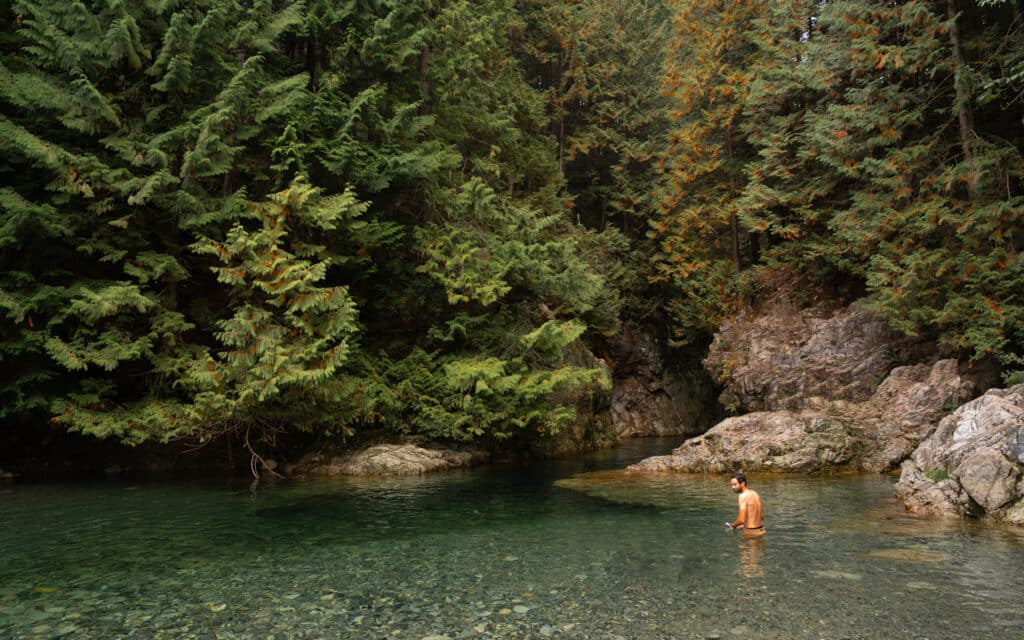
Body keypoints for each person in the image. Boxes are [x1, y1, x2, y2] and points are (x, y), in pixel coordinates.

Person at [727, 472, 765, 536]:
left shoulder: (743, 496)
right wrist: (746, 524)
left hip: (751, 533)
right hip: (761, 530)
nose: (732, 487)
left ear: (742, 483)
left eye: (735, 484)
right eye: (731, 485)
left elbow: (741, 520)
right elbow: (762, 516)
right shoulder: (755, 493)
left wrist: (733, 526)